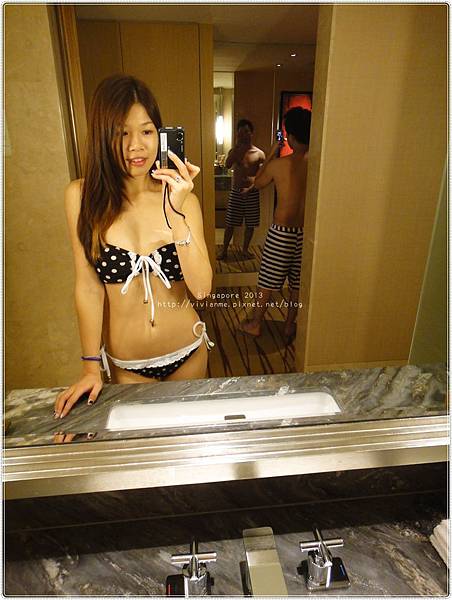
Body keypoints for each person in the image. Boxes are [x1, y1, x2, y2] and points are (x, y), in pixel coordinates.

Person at [55, 74, 214, 418]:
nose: (135, 146)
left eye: (146, 131)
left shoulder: (183, 199)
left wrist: (176, 211)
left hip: (188, 351)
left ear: (160, 134)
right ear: (102, 137)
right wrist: (90, 367)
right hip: (127, 366)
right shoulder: (81, 197)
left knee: (185, 444)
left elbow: (202, 289)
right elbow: (88, 287)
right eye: (121, 133)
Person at [240, 107, 311, 344]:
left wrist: (272, 151)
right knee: (298, 284)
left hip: (282, 233)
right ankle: (289, 325)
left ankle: (255, 323)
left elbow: (258, 182)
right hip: (307, 232)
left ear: (290, 136)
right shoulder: (317, 164)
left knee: (267, 281)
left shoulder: (279, 164)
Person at [217, 119, 265, 260]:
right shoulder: (235, 151)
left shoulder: (259, 154)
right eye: (241, 132)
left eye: (246, 131)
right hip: (236, 192)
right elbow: (227, 165)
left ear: (251, 133)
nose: (244, 135)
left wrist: (251, 187)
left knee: (250, 224)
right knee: (230, 223)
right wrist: (235, 150)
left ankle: (244, 250)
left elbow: (263, 175)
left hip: (252, 192)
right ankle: (224, 250)